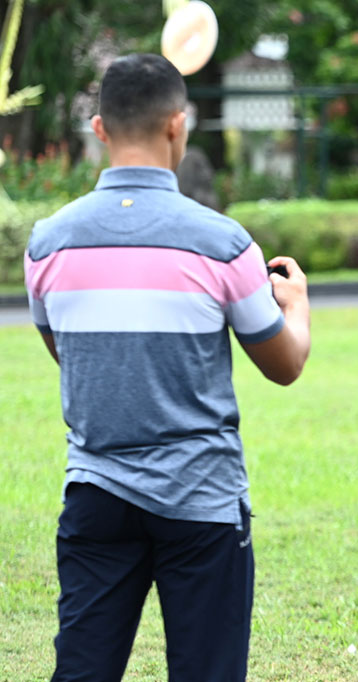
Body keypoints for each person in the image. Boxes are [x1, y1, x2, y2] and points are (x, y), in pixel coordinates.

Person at [22, 54, 311, 681]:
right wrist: (299, 306)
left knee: (82, 669)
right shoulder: (222, 242)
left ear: (100, 129)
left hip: (94, 491)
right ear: (178, 125)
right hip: (200, 500)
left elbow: (65, 353)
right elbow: (284, 365)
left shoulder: (46, 242)